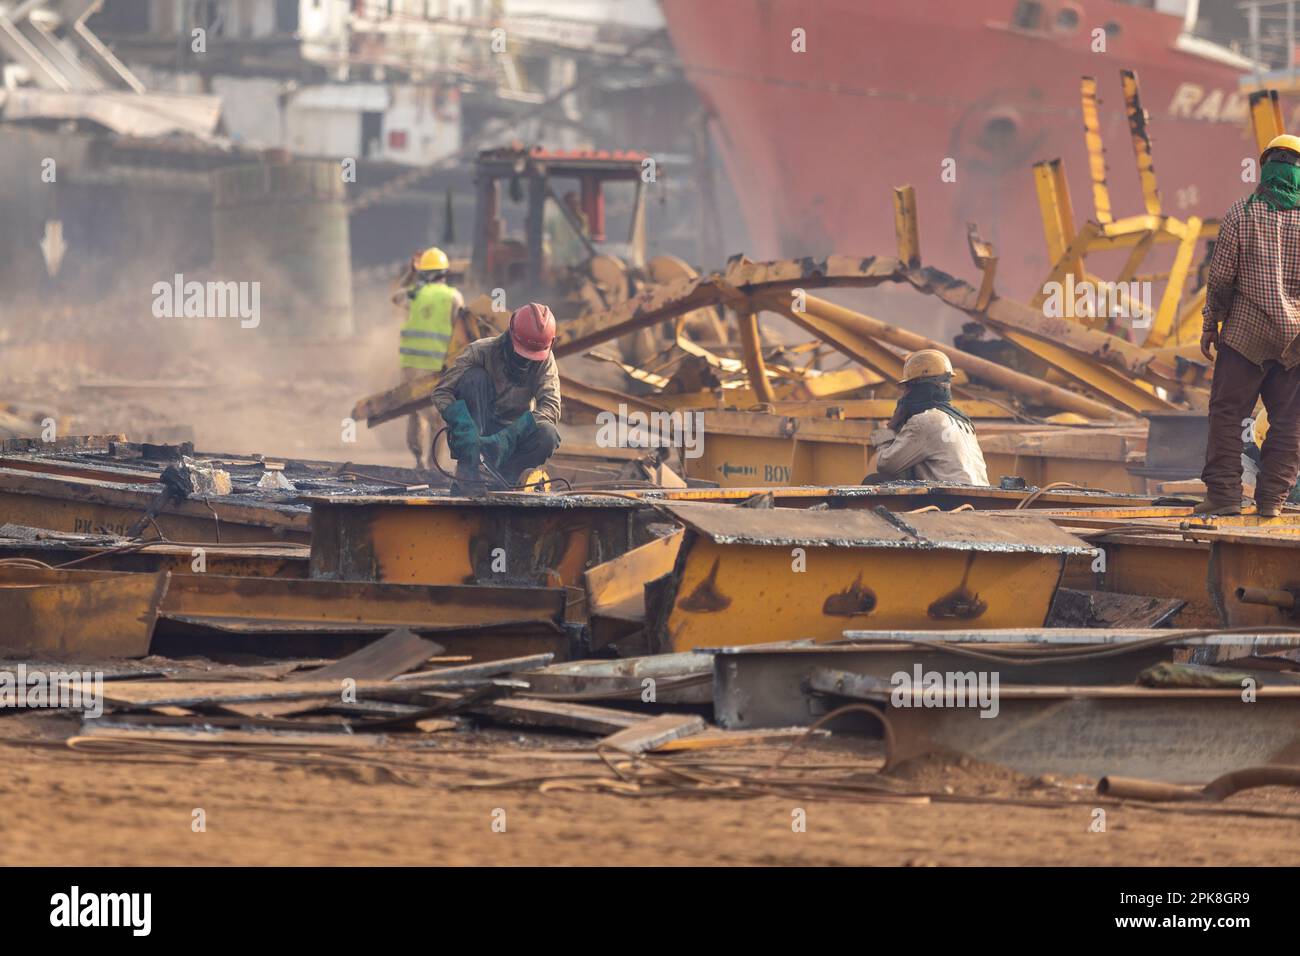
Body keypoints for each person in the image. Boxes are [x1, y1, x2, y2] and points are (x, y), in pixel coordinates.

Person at [1199, 133, 1300, 517]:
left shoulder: (1241, 212)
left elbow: (1221, 278)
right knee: (1289, 421)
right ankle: (1272, 501)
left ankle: (1224, 498)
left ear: (1265, 169)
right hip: (1295, 342)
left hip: (1245, 336)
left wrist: (1211, 324)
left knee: (1228, 414)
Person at [432, 302, 562, 492]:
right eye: (522, 354)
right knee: (474, 378)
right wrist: (463, 425)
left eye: (532, 357)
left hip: (515, 433)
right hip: (478, 431)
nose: (525, 361)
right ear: (511, 334)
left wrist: (511, 435)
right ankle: (470, 470)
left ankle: (507, 476)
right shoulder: (480, 351)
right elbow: (441, 392)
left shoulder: (545, 360)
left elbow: (551, 406)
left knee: (548, 434)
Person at [867, 349, 989, 485]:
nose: (905, 394)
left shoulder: (925, 421)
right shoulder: (963, 421)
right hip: (979, 497)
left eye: (908, 388)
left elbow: (886, 465)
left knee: (874, 481)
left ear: (919, 388)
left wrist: (890, 427)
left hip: (954, 501)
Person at [399, 247, 462, 470]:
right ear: (444, 272)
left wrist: (411, 272)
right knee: (439, 416)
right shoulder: (453, 296)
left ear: (423, 273)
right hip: (437, 365)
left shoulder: (414, 293)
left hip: (410, 364)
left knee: (415, 411)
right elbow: (460, 328)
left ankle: (418, 462)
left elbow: (396, 297)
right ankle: (435, 466)